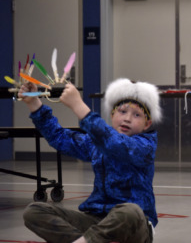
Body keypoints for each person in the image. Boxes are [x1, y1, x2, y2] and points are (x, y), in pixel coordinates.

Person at [19, 78, 162, 243]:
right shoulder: (95, 143)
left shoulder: (145, 146)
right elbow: (60, 138)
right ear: (112, 114)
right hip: (96, 222)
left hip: (134, 227)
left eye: (137, 115)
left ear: (147, 124)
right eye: (122, 112)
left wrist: (80, 107)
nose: (127, 119)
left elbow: (116, 144)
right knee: (34, 211)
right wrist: (35, 104)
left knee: (130, 211)